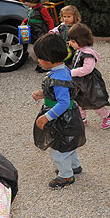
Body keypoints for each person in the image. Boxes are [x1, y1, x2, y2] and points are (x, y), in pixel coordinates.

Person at [32, 33, 86, 188]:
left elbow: (63, 102)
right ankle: (74, 166)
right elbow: (62, 92)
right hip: (69, 115)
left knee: (59, 149)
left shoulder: (58, 77)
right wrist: (43, 94)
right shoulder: (63, 70)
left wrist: (46, 117)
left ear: (47, 60)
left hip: (63, 118)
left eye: (39, 57)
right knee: (69, 144)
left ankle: (66, 175)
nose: (38, 60)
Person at [67, 23, 110, 129]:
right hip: (80, 82)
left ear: (82, 40)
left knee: (94, 102)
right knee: (78, 100)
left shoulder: (88, 54)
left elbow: (87, 69)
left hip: (89, 83)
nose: (70, 43)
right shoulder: (79, 51)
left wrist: (71, 72)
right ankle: (82, 119)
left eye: (73, 41)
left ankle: (108, 116)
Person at [21, 0, 54, 73]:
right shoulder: (32, 9)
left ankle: (47, 65)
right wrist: (25, 21)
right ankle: (41, 63)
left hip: (40, 33)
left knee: (41, 49)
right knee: (32, 50)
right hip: (33, 33)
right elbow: (30, 18)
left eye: (26, 1)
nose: (25, 3)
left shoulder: (42, 9)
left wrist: (52, 31)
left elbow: (49, 20)